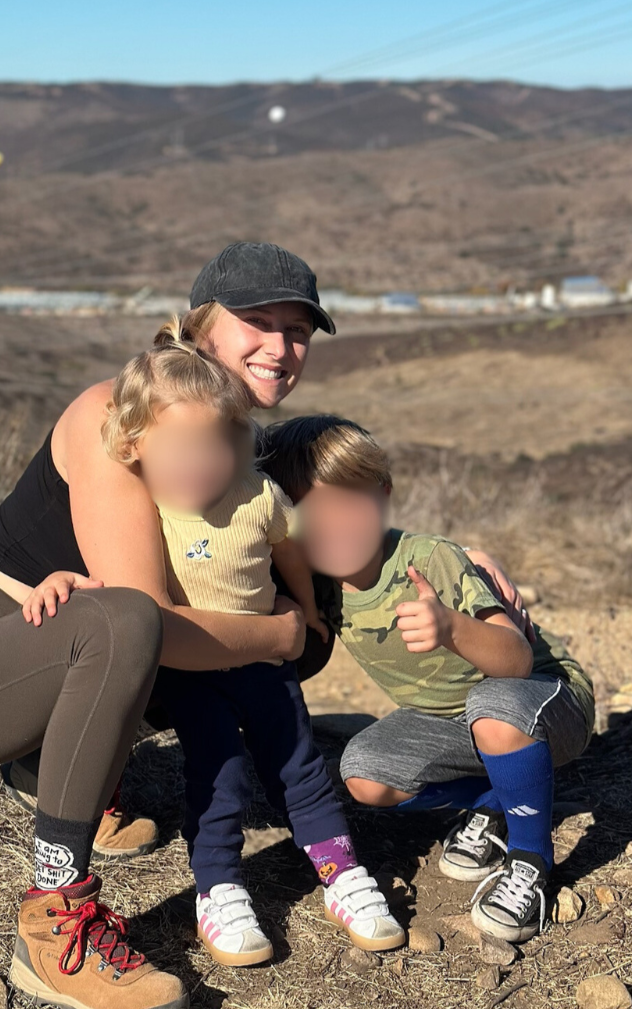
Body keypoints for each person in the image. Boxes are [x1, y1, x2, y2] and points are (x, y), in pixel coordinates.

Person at [0, 241, 529, 1009]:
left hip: (53, 660)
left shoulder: (229, 446)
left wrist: (457, 561)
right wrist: (275, 634)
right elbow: (148, 622)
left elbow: (331, 522)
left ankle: (54, 763)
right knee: (140, 619)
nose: (281, 347)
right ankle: (53, 922)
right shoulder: (117, 416)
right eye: (257, 322)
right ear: (198, 327)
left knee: (276, 600)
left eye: (298, 330)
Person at [97, 316, 404, 964]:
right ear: (132, 445)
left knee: (297, 764)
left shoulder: (254, 493)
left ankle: (341, 870)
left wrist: (304, 605)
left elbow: (285, 544)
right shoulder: (143, 509)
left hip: (264, 661)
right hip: (195, 669)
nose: (196, 467)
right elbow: (117, 577)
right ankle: (217, 886)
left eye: (211, 448)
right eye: (177, 451)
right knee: (221, 774)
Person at [261, 414, 595, 943]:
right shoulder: (318, 584)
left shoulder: (427, 559)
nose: (337, 526)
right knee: (364, 776)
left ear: (384, 494)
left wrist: (452, 626)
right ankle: (498, 802)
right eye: (310, 515)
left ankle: (532, 861)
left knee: (494, 704)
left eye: (351, 502)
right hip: (456, 723)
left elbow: (515, 660)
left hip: (545, 702)